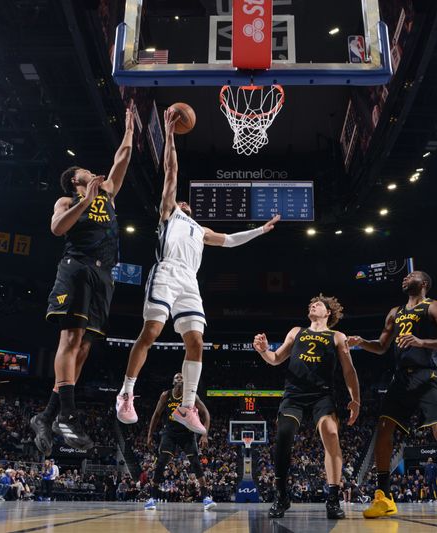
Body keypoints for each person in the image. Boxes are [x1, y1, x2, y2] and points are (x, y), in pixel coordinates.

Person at [116, 107, 280, 432]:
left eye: (186, 202)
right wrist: (171, 138)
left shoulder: (200, 229)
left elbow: (231, 240)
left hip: (190, 282)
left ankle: (187, 407)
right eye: (181, 201)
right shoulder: (168, 213)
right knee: (151, 332)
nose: (184, 202)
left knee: (196, 341)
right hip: (167, 272)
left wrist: (260, 230)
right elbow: (172, 173)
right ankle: (126, 393)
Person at [30, 109, 135, 453]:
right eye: (85, 173)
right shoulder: (69, 199)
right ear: (76, 181)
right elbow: (57, 228)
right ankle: (69, 416)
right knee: (71, 338)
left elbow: (122, 158)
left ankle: (47, 415)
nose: (93, 173)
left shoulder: (108, 195)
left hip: (104, 275)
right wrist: (85, 201)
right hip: (77, 268)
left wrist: (131, 128)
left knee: (86, 346)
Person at [348, 271, 437, 519]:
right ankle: (383, 496)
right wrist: (361, 342)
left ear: (423, 283)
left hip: (428, 375)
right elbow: (381, 347)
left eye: (410, 275)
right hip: (401, 378)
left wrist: (421, 342)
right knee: (383, 428)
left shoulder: (435, 306)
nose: (404, 278)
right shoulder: (395, 312)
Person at [253, 294, 360, 519]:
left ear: (328, 312)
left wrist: (355, 400)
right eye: (310, 304)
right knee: (283, 435)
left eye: (318, 304)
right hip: (294, 395)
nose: (312, 305)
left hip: (322, 396)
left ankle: (333, 499)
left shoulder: (337, 336)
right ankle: (281, 495)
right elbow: (275, 358)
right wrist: (263, 350)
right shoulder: (296, 331)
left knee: (331, 433)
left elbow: (349, 371)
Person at [142, 373, 216, 511]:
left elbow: (205, 413)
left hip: (187, 433)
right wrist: (149, 435)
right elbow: (156, 415)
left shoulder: (191, 396)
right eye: (177, 377)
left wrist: (204, 434)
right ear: (173, 381)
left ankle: (206, 498)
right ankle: (152, 498)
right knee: (162, 461)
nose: (180, 378)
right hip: (169, 433)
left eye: (182, 377)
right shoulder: (166, 395)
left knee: (195, 463)